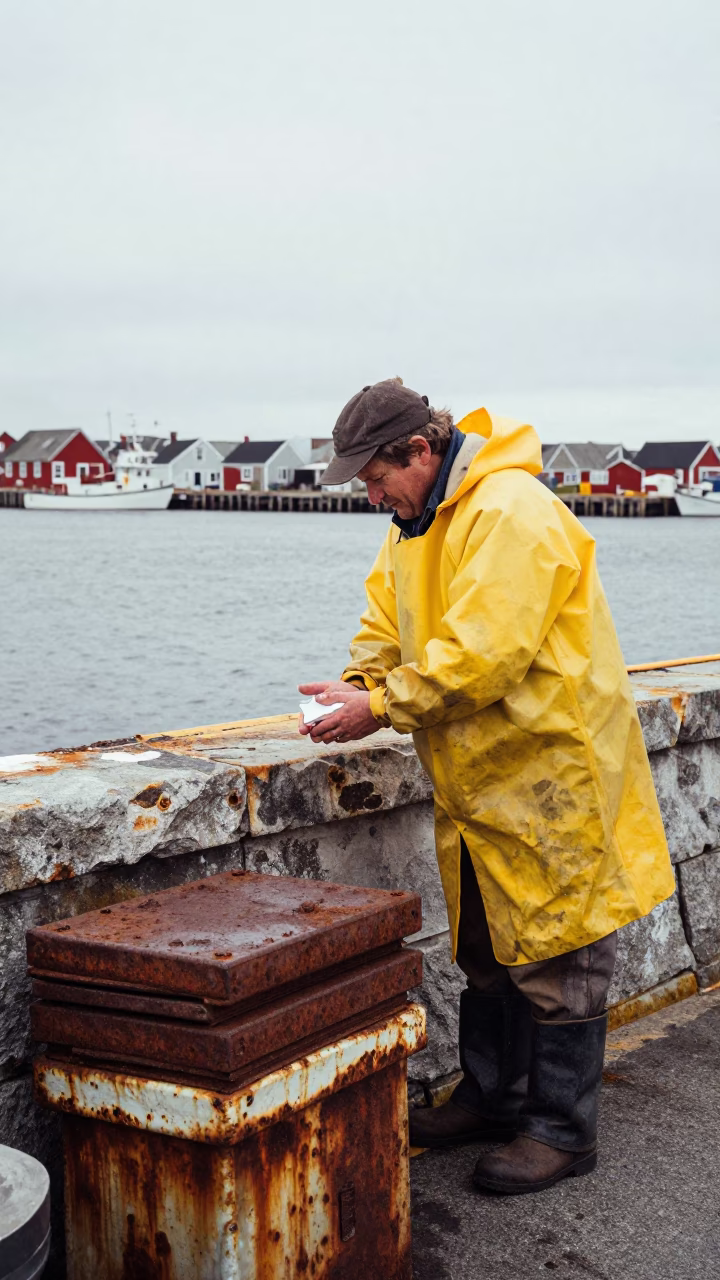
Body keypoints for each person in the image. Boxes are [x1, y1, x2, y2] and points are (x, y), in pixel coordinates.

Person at [298, 378, 675, 1195]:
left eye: (375, 477)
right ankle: (494, 1098)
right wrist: (359, 680)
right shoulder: (414, 523)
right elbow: (383, 623)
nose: (370, 496)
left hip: (549, 772)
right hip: (480, 780)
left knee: (561, 955)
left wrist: (382, 706)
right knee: (488, 951)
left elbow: (483, 654)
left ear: (421, 452)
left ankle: (562, 1131)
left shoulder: (510, 510)